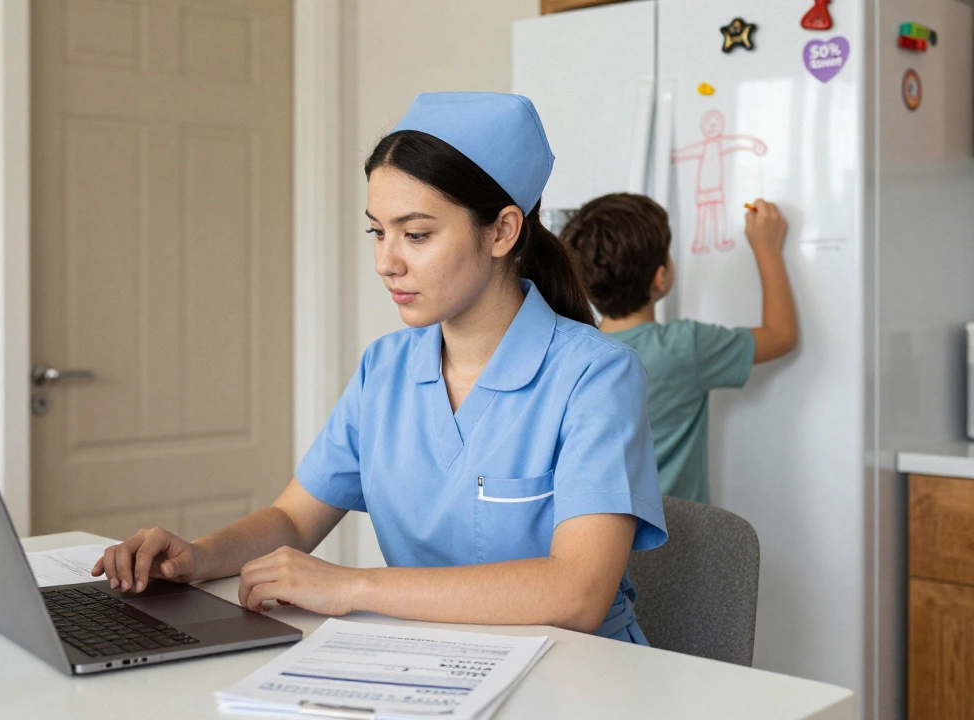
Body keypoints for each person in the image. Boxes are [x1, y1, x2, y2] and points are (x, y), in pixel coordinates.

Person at [91, 92, 667, 643]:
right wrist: (199, 555)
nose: (386, 262)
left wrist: (354, 585)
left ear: (503, 231)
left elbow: (578, 593)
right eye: (377, 231)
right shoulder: (385, 369)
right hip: (427, 669)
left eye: (416, 234)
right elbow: (293, 520)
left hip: (579, 679)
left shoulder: (595, 375)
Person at [561, 193, 798, 503]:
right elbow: (781, 335)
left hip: (605, 540)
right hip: (679, 544)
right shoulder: (684, 348)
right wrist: (766, 248)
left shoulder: (574, 353)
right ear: (660, 278)